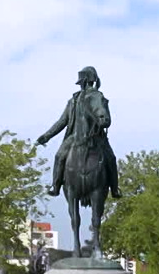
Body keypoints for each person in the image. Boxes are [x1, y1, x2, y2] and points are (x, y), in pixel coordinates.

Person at [37, 66, 121, 199]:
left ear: (84, 81)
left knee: (111, 158)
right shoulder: (73, 101)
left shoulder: (98, 96)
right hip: (74, 137)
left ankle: (115, 189)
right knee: (59, 156)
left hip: (96, 137)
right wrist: (47, 136)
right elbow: (62, 121)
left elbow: (104, 114)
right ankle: (56, 185)